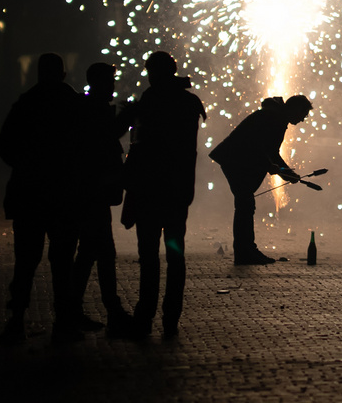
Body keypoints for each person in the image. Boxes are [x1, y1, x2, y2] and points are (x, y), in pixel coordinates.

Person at [0, 52, 85, 344]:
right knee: (62, 261)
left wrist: (26, 166)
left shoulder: (26, 103)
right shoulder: (73, 104)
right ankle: (64, 320)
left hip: (29, 194)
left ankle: (17, 318)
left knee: (25, 260)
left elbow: (4, 145)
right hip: (64, 194)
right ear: (63, 74)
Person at [121, 50, 206, 339]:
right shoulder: (188, 101)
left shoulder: (151, 100)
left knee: (149, 256)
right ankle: (171, 318)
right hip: (177, 193)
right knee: (174, 254)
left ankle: (144, 317)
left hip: (149, 191)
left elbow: (144, 145)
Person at [209, 93, 313, 264]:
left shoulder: (275, 117)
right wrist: (273, 167)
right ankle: (244, 253)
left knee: (246, 205)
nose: (303, 120)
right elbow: (255, 144)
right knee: (245, 205)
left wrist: (285, 172)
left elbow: (270, 151)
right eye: (303, 115)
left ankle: (247, 250)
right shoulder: (272, 118)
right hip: (233, 160)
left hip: (234, 159)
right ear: (295, 109)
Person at [71, 62, 133, 336]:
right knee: (101, 253)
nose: (113, 87)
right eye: (109, 81)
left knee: (90, 253)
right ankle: (110, 312)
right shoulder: (91, 109)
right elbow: (105, 137)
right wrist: (127, 117)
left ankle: (74, 310)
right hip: (91, 193)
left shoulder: (87, 107)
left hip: (90, 192)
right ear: (97, 83)